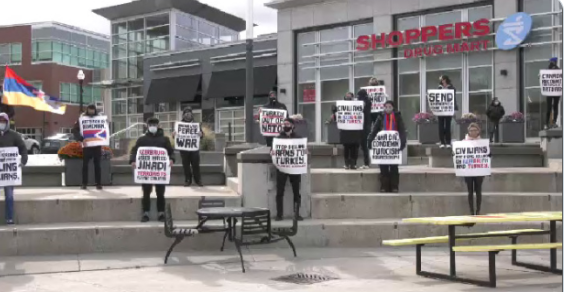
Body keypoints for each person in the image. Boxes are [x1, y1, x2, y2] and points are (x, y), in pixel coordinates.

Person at [130, 117, 175, 223]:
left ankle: (161, 213)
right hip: (146, 171)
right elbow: (134, 151)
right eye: (151, 125)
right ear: (147, 126)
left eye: (155, 125)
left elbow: (171, 152)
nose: (153, 127)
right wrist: (133, 161)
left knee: (160, 192)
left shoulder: (164, 139)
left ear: (159, 126)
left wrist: (172, 159)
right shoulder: (142, 139)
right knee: (146, 192)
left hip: (159, 172)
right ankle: (145, 213)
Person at [367, 101, 407, 193]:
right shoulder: (380, 117)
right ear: (384, 108)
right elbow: (374, 130)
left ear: (393, 108)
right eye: (386, 107)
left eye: (390, 106)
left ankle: (394, 187)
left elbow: (402, 131)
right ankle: (384, 187)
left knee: (394, 168)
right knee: (383, 168)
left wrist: (402, 142)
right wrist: (370, 140)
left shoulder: (397, 117)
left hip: (393, 146)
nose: (388, 108)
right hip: (383, 147)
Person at [269, 118, 304, 221]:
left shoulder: (298, 138)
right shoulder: (278, 138)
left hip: (294, 168)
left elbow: (303, 150)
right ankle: (279, 214)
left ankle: (296, 214)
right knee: (280, 192)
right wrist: (272, 152)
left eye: (287, 124)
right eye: (284, 124)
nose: (285, 125)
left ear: (292, 125)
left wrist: (305, 152)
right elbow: (273, 150)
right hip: (282, 168)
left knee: (296, 192)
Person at [0, 112, 28, 224]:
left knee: (10, 196)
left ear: (7, 122)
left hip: (8, 172)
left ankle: (9, 218)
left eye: (3, 121)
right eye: (0, 121)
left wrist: (23, 161)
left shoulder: (14, 135)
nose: (1, 123)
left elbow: (23, 149)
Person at [461, 123, 489, 215]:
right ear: (468, 132)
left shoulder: (483, 143)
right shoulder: (463, 142)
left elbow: (488, 154)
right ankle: (471, 211)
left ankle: (478, 210)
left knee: (478, 190)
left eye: (475, 130)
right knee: (470, 191)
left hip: (479, 170)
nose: (473, 132)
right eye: (471, 130)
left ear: (478, 131)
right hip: (468, 170)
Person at [73, 104, 103, 190]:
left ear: (95, 110)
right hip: (86, 145)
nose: (91, 112)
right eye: (90, 110)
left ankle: (98, 183)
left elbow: (104, 128)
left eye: (93, 110)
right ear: (87, 110)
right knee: (85, 165)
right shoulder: (82, 118)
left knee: (97, 165)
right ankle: (84, 183)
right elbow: (75, 129)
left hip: (96, 145)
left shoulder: (99, 118)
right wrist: (80, 139)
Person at [173, 107, 204, 187]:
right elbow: (176, 136)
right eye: (186, 113)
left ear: (191, 114)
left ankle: (198, 180)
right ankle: (188, 180)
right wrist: (173, 135)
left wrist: (201, 134)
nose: (188, 114)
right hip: (184, 150)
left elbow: (201, 135)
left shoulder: (196, 124)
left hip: (194, 149)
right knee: (186, 165)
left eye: (189, 113)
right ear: (183, 115)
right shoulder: (179, 125)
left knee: (195, 165)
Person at [331, 92, 362, 170]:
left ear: (352, 97)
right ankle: (347, 163)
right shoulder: (341, 107)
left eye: (350, 96)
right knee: (346, 148)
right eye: (347, 96)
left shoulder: (357, 105)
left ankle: (353, 164)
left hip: (355, 130)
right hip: (345, 131)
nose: (348, 97)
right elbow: (336, 118)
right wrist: (334, 111)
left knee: (354, 148)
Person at [437, 75, 458, 148]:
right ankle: (442, 142)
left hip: (448, 110)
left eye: (443, 79)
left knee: (448, 126)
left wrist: (455, 109)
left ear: (446, 80)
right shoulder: (439, 88)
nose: (442, 81)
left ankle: (448, 142)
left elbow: (454, 99)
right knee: (441, 126)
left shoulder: (451, 88)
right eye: (441, 80)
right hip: (440, 110)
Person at [357, 89, 372, 169]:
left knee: (364, 145)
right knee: (364, 145)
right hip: (365, 125)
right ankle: (366, 163)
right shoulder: (368, 101)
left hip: (364, 125)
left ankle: (366, 163)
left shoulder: (365, 102)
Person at [545, 57, 561, 129]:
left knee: (555, 107)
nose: (552, 64)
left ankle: (554, 122)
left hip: (556, 91)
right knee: (549, 108)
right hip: (549, 91)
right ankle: (546, 123)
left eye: (553, 62)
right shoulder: (547, 70)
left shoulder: (558, 70)